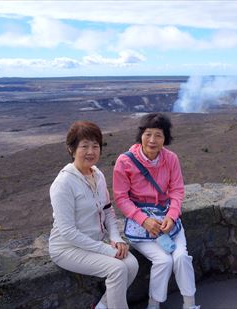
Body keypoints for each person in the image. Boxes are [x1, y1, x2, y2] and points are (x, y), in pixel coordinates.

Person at [113, 113, 199, 309]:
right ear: (141, 135)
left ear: (165, 138)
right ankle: (153, 305)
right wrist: (143, 220)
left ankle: (190, 304)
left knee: (181, 257)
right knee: (163, 261)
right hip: (140, 223)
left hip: (167, 220)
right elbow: (121, 198)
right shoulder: (125, 161)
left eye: (158, 135)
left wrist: (172, 215)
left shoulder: (171, 159)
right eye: (148, 134)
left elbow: (177, 190)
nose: (152, 140)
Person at [49, 121, 139, 309]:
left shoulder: (97, 175)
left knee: (132, 264)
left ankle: (102, 306)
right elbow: (67, 232)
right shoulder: (63, 184)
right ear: (71, 149)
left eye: (95, 146)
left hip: (93, 243)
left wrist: (115, 238)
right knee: (116, 269)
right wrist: (107, 250)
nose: (91, 151)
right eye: (84, 146)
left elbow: (107, 209)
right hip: (67, 248)